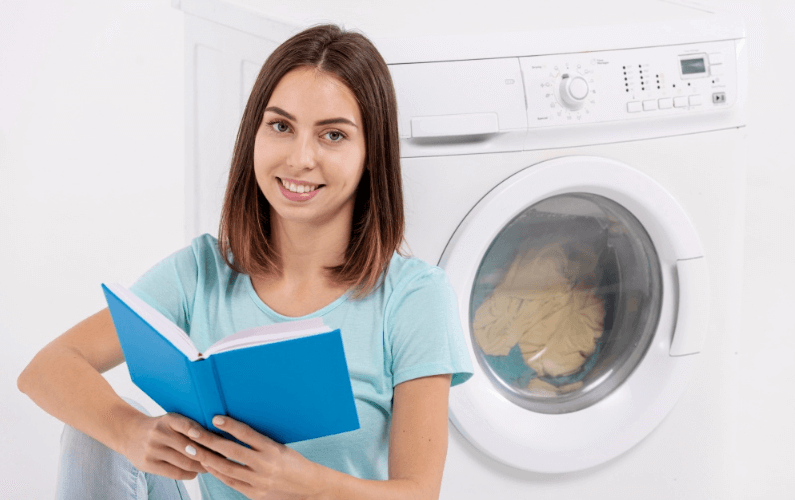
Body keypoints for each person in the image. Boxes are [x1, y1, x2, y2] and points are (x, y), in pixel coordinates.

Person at [17, 23, 473, 500]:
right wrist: (130, 431)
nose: (300, 159)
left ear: (370, 155)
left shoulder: (414, 296)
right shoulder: (202, 273)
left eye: (333, 135)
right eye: (281, 126)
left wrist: (304, 484)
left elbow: (419, 493)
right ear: (253, 134)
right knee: (95, 434)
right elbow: (46, 369)